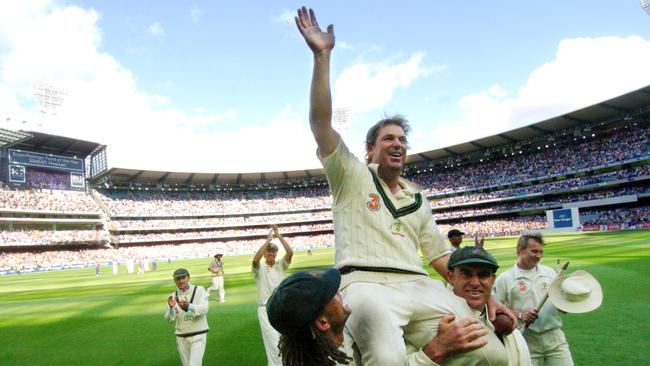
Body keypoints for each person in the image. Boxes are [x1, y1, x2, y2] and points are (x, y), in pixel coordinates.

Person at [295, 7, 514, 365]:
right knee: (386, 358)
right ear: (369, 149)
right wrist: (322, 56)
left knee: (492, 356)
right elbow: (320, 124)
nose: (397, 144)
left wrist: (486, 298)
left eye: (402, 139)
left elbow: (441, 257)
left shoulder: (417, 196)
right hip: (365, 284)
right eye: (387, 139)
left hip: (420, 285)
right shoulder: (351, 175)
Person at [267, 268, 499, 366]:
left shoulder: (330, 346)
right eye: (331, 294)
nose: (340, 292)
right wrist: (436, 349)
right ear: (322, 323)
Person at [493, 233, 574, 365]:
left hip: (554, 337)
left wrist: (565, 304)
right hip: (525, 339)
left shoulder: (550, 273)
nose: (539, 256)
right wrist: (520, 315)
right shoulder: (505, 279)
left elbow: (561, 304)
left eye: (541, 252)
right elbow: (496, 310)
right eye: (534, 251)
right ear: (520, 250)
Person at [447, 246, 532, 366]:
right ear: (451, 277)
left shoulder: (512, 333)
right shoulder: (440, 324)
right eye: (466, 274)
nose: (475, 283)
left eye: (483, 275)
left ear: (493, 280)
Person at [252, 225, 294, 366]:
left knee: (285, 343)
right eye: (269, 252)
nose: (271, 254)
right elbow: (255, 261)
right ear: (265, 253)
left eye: (273, 252)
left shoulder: (280, 265)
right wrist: (268, 240)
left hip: (282, 308)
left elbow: (290, 253)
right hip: (265, 309)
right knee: (274, 345)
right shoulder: (260, 268)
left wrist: (279, 235)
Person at [164, 268, 209, 366]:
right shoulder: (173, 296)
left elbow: (205, 309)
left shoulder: (199, 290)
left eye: (183, 278)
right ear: (174, 281)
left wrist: (189, 306)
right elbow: (169, 319)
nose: (181, 281)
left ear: (189, 277)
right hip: (181, 336)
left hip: (198, 334)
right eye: (178, 279)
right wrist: (171, 308)